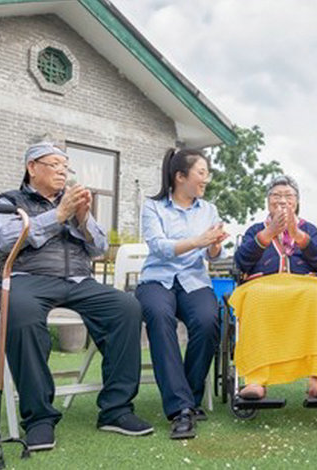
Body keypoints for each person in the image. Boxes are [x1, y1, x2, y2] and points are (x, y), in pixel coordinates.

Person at [0, 141, 152, 452]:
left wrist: (81, 217)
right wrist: (57, 216)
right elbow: (4, 239)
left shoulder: (72, 202)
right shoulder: (11, 200)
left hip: (79, 281)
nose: (62, 171)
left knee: (126, 307)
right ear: (32, 168)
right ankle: (39, 418)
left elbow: (100, 248)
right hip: (29, 279)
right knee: (20, 313)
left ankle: (116, 410)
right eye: (54, 164)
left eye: (66, 167)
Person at [136, 148, 228, 440]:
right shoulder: (153, 207)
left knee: (208, 320)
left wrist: (213, 246)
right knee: (159, 317)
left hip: (193, 280)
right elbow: (160, 247)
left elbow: (213, 256)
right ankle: (181, 410)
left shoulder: (208, 209)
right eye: (201, 173)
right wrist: (199, 240)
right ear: (180, 176)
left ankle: (187, 396)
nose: (206, 179)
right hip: (156, 280)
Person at [229, 175, 317, 401]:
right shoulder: (255, 230)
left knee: (316, 294)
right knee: (255, 297)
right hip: (263, 284)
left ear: (297, 202)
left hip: (304, 284)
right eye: (276, 195)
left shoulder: (309, 229)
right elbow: (242, 262)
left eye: (288, 196)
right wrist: (268, 233)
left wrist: (298, 235)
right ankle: (255, 379)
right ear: (268, 202)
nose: (282, 200)